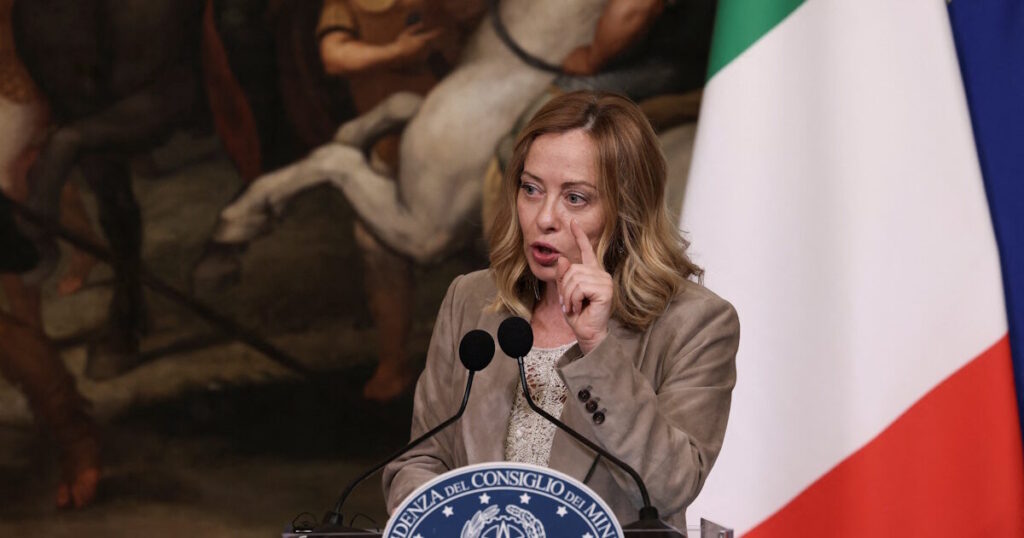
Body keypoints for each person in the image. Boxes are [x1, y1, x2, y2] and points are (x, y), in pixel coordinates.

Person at [382, 91, 739, 529]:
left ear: (628, 208)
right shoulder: (470, 299)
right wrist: (451, 526)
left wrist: (597, 347)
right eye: (531, 189)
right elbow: (420, 461)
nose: (544, 218)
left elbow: (669, 486)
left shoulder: (695, 323)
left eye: (575, 198)